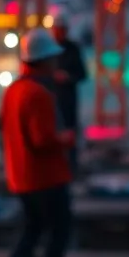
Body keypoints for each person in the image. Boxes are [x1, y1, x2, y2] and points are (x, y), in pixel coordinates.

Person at [1, 29, 76, 257]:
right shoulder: (38, 94)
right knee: (59, 233)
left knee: (33, 227)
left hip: (21, 178)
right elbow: (43, 140)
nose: (57, 62)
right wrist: (67, 138)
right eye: (53, 58)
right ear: (43, 61)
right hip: (47, 179)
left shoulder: (14, 91)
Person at [49, 18, 88, 173]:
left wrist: (68, 77)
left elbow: (82, 74)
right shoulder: (49, 49)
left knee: (70, 132)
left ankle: (71, 167)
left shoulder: (73, 49)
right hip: (52, 99)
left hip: (68, 99)